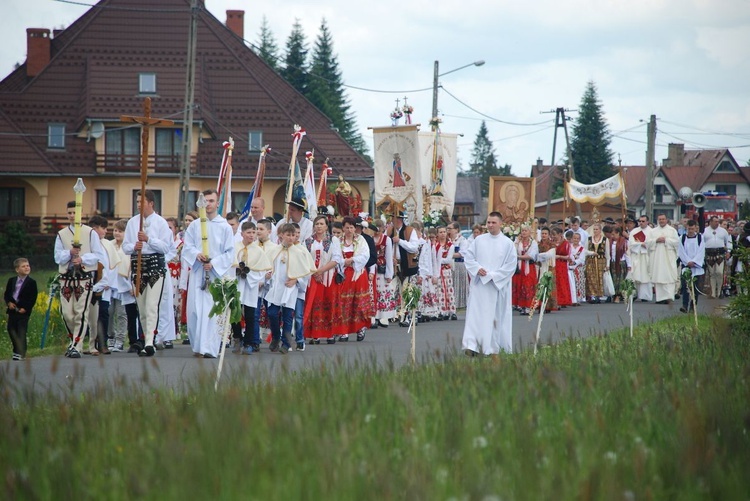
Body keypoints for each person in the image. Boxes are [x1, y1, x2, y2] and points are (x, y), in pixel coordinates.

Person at [182, 189, 235, 358]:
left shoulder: (225, 227)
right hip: (198, 273)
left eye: (212, 201)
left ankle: (210, 348)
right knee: (195, 311)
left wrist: (214, 263)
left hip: (216, 276)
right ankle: (198, 346)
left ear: (217, 204)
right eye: (206, 201)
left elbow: (229, 252)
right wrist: (196, 255)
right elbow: (187, 247)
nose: (208, 204)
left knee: (213, 311)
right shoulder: (195, 225)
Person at [123, 190, 175, 357]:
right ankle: (146, 337)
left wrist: (148, 240)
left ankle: (149, 342)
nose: (138, 204)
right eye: (137, 201)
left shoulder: (160, 223)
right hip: (138, 267)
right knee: (142, 308)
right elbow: (125, 246)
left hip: (154, 268)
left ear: (151, 203)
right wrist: (134, 247)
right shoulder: (132, 223)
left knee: (152, 305)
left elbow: (166, 247)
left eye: (141, 201)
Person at [462, 212, 518, 356]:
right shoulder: (478, 240)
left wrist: (493, 276)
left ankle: (493, 347)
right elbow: (469, 257)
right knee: (475, 316)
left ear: (500, 223)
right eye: (488, 222)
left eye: (493, 223)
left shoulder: (507, 243)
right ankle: (472, 346)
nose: (490, 225)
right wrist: (476, 268)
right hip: (480, 285)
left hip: (496, 287)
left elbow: (510, 266)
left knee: (495, 318)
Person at [55, 200, 105, 358]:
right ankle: (73, 341)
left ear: (81, 214)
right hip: (66, 278)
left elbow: (98, 255)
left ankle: (76, 345)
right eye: (69, 213)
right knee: (66, 313)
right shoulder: (61, 234)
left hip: (84, 278)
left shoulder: (90, 232)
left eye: (74, 213)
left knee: (80, 312)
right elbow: (57, 256)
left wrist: (82, 259)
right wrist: (69, 253)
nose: (72, 216)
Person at [265, 223, 315, 353]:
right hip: (276, 287)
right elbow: (268, 265)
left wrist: (296, 280)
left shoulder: (299, 251)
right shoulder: (275, 250)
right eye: (288, 235)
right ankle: (276, 337)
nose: (291, 238)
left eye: (293, 235)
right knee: (272, 313)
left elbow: (307, 271)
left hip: (290, 289)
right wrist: (268, 274)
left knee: (288, 316)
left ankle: (286, 344)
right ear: (281, 235)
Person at [330, 217, 372, 341]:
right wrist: (343, 262)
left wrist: (352, 260)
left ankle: (360, 328)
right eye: (346, 227)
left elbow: (365, 255)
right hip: (344, 274)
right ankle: (344, 331)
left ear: (355, 228)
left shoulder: (361, 240)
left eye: (351, 227)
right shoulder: (338, 241)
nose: (349, 230)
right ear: (343, 228)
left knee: (358, 301)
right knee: (343, 302)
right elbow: (335, 256)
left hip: (357, 273)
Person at [233, 221, 272, 355]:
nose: (251, 235)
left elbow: (262, 270)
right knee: (235, 313)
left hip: (250, 286)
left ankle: (249, 342)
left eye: (254, 232)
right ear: (242, 233)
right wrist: (237, 271)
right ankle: (237, 337)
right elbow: (229, 264)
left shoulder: (258, 251)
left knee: (250, 314)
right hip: (237, 283)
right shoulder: (235, 247)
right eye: (248, 232)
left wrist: (251, 276)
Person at [303, 215, 343, 344]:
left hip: (328, 277)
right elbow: (305, 259)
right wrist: (314, 273)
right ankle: (316, 334)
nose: (319, 226)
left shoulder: (333, 240)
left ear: (326, 226)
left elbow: (336, 259)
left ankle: (330, 333)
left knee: (329, 303)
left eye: (321, 224)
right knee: (314, 304)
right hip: (312, 278)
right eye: (317, 224)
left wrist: (320, 271)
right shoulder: (308, 241)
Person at [87, 215, 120, 355]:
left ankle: (103, 343)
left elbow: (112, 266)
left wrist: (107, 283)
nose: (106, 231)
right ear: (94, 229)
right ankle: (91, 343)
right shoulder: (87, 243)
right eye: (103, 228)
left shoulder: (107, 244)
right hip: (90, 285)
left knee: (103, 314)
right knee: (90, 316)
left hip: (105, 287)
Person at [108, 219, 136, 353]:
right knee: (109, 312)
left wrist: (131, 285)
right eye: (115, 230)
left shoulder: (127, 247)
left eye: (120, 231)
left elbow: (129, 267)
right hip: (110, 284)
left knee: (121, 313)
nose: (117, 233)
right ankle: (110, 337)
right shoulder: (110, 245)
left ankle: (120, 339)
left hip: (123, 284)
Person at [388, 211, 419, 326]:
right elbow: (387, 247)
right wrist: (391, 257)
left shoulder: (410, 231)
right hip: (394, 265)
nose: (393, 221)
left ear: (400, 220)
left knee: (407, 291)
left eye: (395, 219)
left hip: (407, 265)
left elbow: (413, 248)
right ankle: (394, 314)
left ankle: (407, 316)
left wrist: (400, 241)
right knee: (393, 290)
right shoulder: (390, 231)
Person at [4, 258, 38, 361]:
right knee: (11, 330)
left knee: (21, 331)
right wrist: (9, 302)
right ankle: (16, 350)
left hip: (23, 311)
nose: (26, 268)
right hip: (12, 310)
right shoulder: (12, 280)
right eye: (23, 266)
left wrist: (25, 308)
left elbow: (33, 297)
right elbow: (7, 294)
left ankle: (21, 352)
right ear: (17, 269)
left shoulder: (31, 282)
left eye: (27, 265)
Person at [647, 214, 680, 304]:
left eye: (663, 219)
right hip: (657, 257)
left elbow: (677, 242)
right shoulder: (653, 231)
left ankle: (669, 297)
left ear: (666, 220)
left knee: (668, 276)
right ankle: (660, 298)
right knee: (658, 277)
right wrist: (656, 240)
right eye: (660, 219)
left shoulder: (672, 230)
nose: (661, 221)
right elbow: (647, 243)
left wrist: (666, 240)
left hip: (668, 257)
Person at [371, 219, 397, 327]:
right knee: (373, 292)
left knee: (383, 292)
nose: (377, 231)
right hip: (373, 268)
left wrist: (389, 274)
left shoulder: (387, 240)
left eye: (379, 229)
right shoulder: (370, 239)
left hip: (382, 268)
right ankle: (373, 316)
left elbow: (389, 257)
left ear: (383, 228)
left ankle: (384, 316)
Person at [678, 220, 706, 313]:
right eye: (689, 228)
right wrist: (687, 261)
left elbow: (701, 251)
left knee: (695, 287)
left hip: (696, 266)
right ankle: (684, 305)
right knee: (685, 286)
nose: (690, 230)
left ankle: (693, 305)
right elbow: (681, 251)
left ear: (695, 228)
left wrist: (694, 262)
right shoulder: (682, 238)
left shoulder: (700, 238)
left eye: (692, 228)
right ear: (686, 228)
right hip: (686, 266)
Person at [703, 216, 732, 298]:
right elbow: (701, 243)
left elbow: (728, 242)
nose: (717, 223)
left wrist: (728, 252)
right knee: (712, 274)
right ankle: (713, 293)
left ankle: (719, 292)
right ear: (710, 222)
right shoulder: (705, 231)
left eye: (718, 221)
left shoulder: (723, 231)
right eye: (715, 221)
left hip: (720, 253)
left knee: (719, 272)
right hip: (709, 254)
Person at [512, 225, 538, 315]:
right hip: (519, 266)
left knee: (528, 285)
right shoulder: (517, 241)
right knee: (519, 285)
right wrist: (516, 242)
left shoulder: (533, 243)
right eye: (522, 231)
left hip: (528, 267)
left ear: (529, 232)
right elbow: (512, 251)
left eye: (526, 231)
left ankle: (528, 306)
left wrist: (518, 257)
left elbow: (532, 255)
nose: (523, 232)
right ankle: (521, 306)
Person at [433, 226, 457, 320]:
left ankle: (451, 310)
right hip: (437, 270)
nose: (443, 234)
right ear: (437, 234)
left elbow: (448, 259)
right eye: (440, 232)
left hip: (446, 270)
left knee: (448, 290)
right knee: (439, 290)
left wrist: (438, 260)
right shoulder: (435, 245)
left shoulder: (450, 245)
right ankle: (441, 311)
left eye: (444, 232)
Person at [627, 215, 652, 302]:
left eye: (643, 221)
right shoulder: (634, 231)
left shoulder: (651, 232)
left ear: (647, 222)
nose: (641, 223)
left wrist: (646, 245)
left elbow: (652, 243)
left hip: (646, 256)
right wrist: (641, 244)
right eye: (640, 221)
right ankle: (634, 294)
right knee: (635, 275)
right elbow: (631, 244)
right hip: (636, 255)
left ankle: (645, 295)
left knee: (645, 276)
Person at [585, 223, 610, 304]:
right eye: (594, 229)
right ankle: (593, 295)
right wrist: (591, 253)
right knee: (591, 278)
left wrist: (608, 265)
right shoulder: (589, 239)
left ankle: (599, 295)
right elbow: (585, 251)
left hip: (601, 261)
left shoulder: (605, 240)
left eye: (597, 229)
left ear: (600, 230)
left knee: (600, 278)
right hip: (591, 261)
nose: (595, 231)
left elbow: (607, 254)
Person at [447, 222, 468, 310]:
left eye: (450, 229)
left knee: (458, 284)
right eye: (447, 229)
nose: (448, 231)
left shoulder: (462, 240)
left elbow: (462, 253)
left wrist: (448, 255)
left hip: (458, 264)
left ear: (456, 230)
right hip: (448, 264)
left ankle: (459, 303)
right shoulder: (447, 240)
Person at [552, 226, 573, 307]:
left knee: (561, 282)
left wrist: (559, 256)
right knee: (555, 282)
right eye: (552, 235)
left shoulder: (566, 243)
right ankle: (556, 300)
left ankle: (563, 300)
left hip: (561, 264)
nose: (553, 236)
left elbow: (568, 256)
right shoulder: (551, 243)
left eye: (555, 234)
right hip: (553, 264)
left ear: (560, 234)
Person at [609, 226, 630, 303]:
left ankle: (618, 295)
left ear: (618, 233)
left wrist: (629, 265)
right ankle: (613, 295)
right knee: (613, 279)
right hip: (613, 263)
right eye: (611, 234)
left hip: (621, 262)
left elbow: (627, 254)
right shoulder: (610, 241)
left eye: (613, 234)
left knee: (620, 280)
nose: (612, 236)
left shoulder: (624, 242)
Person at [569, 232, 587, 305]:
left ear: (579, 239)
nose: (575, 240)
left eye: (577, 238)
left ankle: (578, 299)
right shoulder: (569, 247)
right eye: (574, 238)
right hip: (570, 268)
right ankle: (572, 298)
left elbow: (582, 259)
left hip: (579, 268)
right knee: (572, 284)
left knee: (579, 283)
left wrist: (575, 263)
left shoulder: (582, 248)